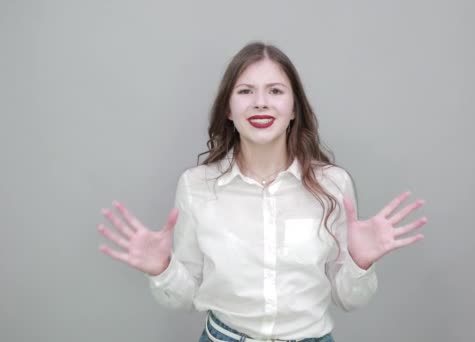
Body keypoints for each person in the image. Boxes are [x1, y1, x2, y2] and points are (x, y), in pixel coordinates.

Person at [97, 41, 428, 342]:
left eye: (275, 91)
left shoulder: (333, 185)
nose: (260, 103)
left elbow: (349, 299)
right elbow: (185, 297)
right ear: (228, 109)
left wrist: (360, 262)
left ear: (294, 108)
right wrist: (163, 269)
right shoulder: (196, 187)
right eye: (245, 92)